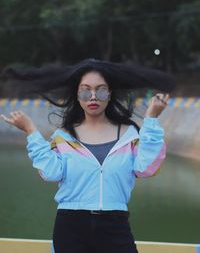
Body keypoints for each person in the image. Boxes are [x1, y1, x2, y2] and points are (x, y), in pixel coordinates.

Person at [1, 59, 173, 253]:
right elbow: (50, 173)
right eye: (85, 90)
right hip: (70, 227)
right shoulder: (64, 136)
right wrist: (31, 130)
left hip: (115, 226)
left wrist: (151, 119)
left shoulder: (129, 135)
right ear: (77, 94)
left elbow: (146, 168)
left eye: (100, 90)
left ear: (109, 94)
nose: (93, 97)